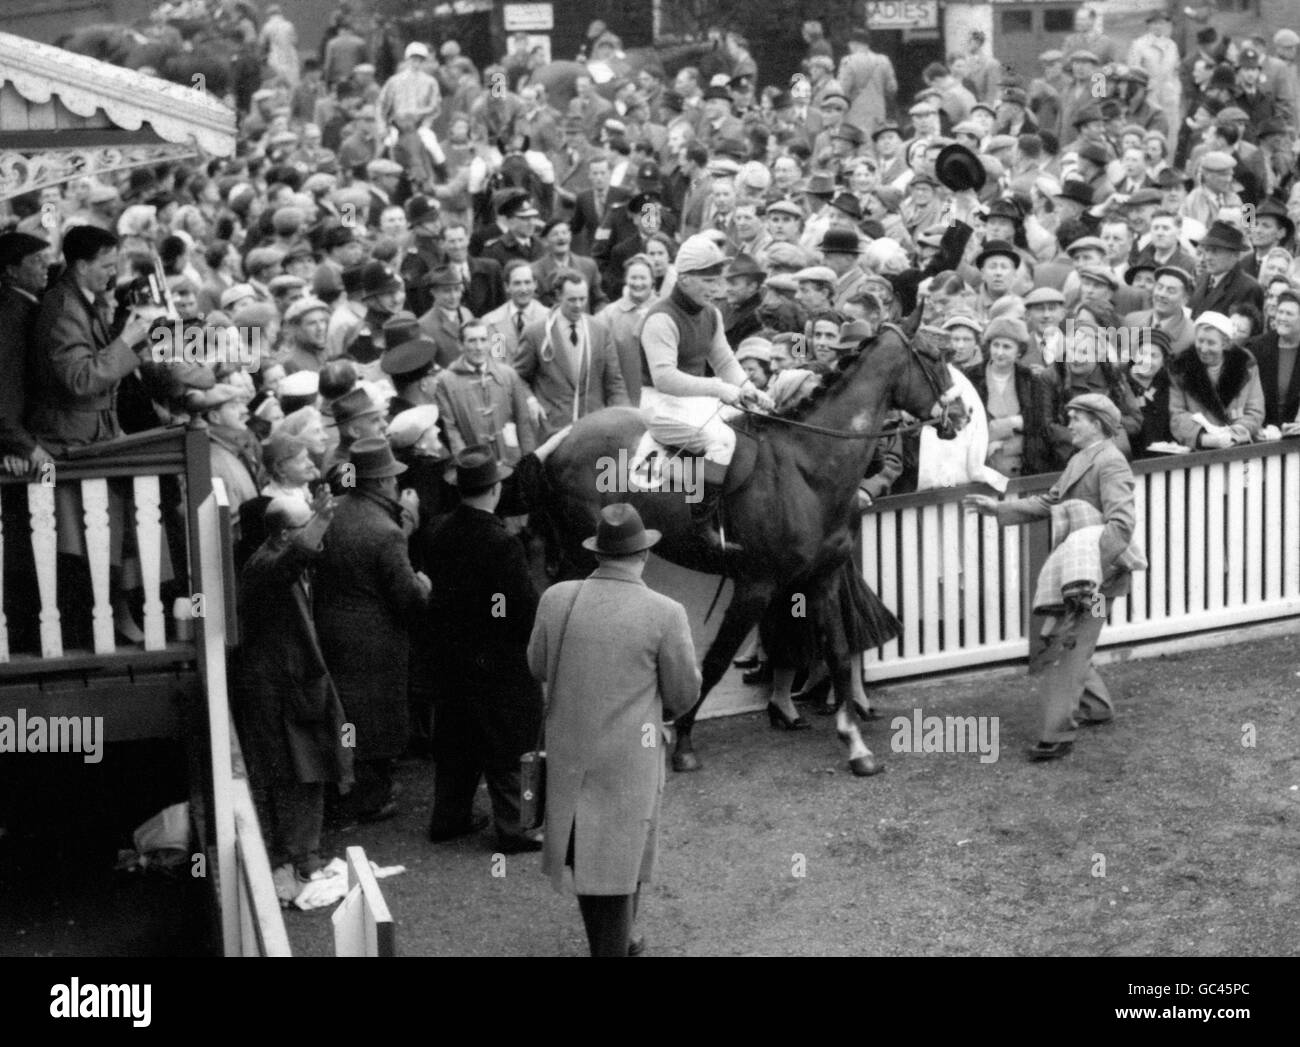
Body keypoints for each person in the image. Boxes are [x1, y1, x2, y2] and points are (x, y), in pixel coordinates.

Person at [527, 503, 700, 956]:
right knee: (622, 857)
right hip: (630, 758)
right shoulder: (665, 612)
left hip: (570, 750)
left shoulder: (556, 599)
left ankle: (619, 939)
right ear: (642, 555)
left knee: (590, 856)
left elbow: (536, 665)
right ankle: (613, 946)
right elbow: (683, 695)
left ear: (598, 554)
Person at [963, 394, 1139, 761]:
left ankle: (1055, 735)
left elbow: (1121, 526)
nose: (1070, 424)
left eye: (1077, 418)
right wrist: (999, 508)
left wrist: (1092, 573)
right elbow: (1050, 502)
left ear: (1098, 424)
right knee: (1068, 638)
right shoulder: (1081, 458)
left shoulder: (1111, 462)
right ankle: (1098, 707)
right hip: (1082, 573)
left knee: (1067, 647)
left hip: (1095, 577)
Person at [423, 446, 545, 853]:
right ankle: (517, 827)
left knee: (457, 739)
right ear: (494, 490)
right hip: (498, 660)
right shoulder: (502, 543)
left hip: (451, 655)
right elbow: (519, 608)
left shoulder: (438, 529)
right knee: (514, 742)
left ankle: (449, 816)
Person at [233, 490, 352, 903]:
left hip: (292, 684)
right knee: (298, 776)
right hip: (282, 691)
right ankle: (302, 861)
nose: (318, 537)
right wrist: (318, 521)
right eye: (307, 528)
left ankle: (301, 857)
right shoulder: (267, 566)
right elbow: (294, 561)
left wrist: (317, 521)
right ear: (284, 534)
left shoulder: (272, 559)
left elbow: (303, 557)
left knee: (307, 772)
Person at [314, 437, 431, 822]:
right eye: (393, 479)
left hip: (332, 627)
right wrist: (424, 585)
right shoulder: (386, 531)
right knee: (377, 717)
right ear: (381, 483)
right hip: (374, 639)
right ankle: (370, 797)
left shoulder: (336, 512)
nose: (396, 485)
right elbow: (408, 597)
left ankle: (345, 786)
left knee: (347, 713)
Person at [640, 235, 774, 559]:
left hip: (692, 399)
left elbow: (725, 361)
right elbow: (665, 378)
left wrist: (750, 391)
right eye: (708, 280)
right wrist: (718, 388)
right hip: (660, 403)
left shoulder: (711, 314)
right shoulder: (661, 318)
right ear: (684, 279)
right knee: (722, 441)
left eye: (718, 280)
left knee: (751, 425)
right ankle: (701, 528)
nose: (716, 288)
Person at [514, 272, 628, 434]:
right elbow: (517, 376)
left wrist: (624, 418)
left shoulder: (600, 330)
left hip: (594, 427)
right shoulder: (535, 332)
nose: (578, 305)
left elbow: (614, 382)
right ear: (558, 296)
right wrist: (530, 400)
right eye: (572, 300)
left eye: (583, 299)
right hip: (553, 427)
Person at [1168, 312, 1265, 448]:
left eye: (1211, 343)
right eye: (1200, 341)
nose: (1203, 348)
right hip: (1197, 450)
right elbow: (1177, 414)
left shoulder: (1245, 365)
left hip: (1237, 447)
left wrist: (1235, 434)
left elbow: (1255, 410)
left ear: (1225, 343)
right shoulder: (1180, 368)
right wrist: (1205, 438)